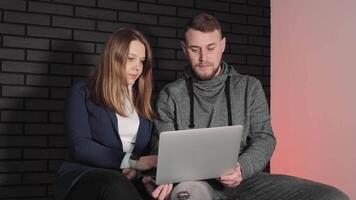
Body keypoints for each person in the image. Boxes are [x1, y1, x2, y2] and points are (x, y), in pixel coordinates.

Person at [146, 13, 349, 200]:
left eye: (211, 48)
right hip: (194, 183)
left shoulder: (249, 87)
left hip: (246, 180)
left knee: (332, 196)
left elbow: (265, 137)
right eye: (195, 49)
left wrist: (241, 169)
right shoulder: (171, 94)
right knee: (188, 194)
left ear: (223, 45)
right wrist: (167, 175)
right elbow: (162, 148)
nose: (203, 58)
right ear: (183, 48)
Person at [55, 27, 158, 200]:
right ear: (113, 58)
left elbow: (144, 150)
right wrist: (132, 161)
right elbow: (81, 147)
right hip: (87, 175)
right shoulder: (83, 92)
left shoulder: (142, 101)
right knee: (115, 184)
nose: (137, 67)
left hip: (128, 178)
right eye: (131, 59)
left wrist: (135, 170)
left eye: (142, 61)